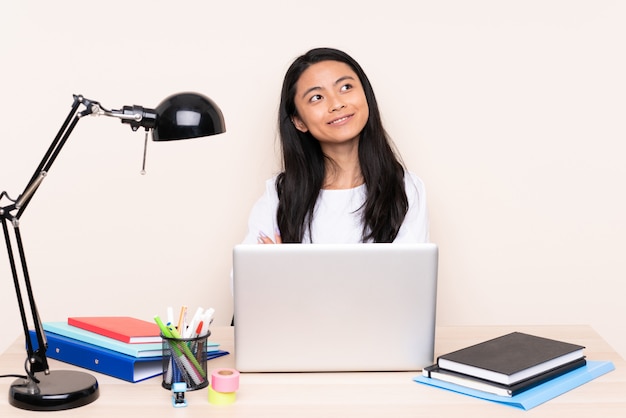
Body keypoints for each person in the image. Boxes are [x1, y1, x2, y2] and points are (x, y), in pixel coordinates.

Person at [242, 47, 429, 245]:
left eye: (346, 87)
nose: (336, 104)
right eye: (316, 97)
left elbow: (412, 274)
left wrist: (290, 271)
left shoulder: (405, 188)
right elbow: (246, 274)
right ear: (298, 121)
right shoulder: (279, 196)